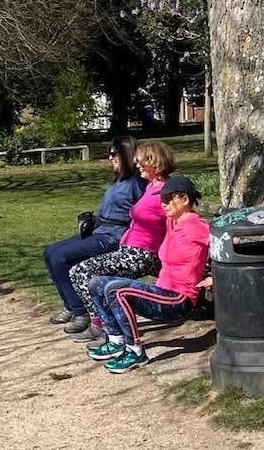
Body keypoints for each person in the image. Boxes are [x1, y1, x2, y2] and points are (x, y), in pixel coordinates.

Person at [85, 175, 210, 373]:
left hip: (179, 299)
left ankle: (135, 351)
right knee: (96, 283)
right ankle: (116, 341)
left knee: (117, 290)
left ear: (185, 200)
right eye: (162, 199)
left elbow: (223, 242)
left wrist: (215, 277)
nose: (164, 204)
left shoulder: (195, 226)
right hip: (161, 292)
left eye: (169, 199)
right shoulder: (173, 222)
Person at [65, 141, 176, 341]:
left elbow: (178, 223)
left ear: (154, 162)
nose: (137, 164)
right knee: (88, 275)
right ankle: (106, 324)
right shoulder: (151, 187)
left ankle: (103, 327)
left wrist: (171, 259)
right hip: (129, 249)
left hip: (143, 254)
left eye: (141, 161)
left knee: (80, 271)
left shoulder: (166, 190)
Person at [44, 136, 146, 331]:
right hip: (99, 231)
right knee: (49, 252)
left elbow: (142, 213)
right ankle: (70, 306)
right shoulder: (120, 180)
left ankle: (80, 312)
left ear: (127, 154)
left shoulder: (136, 183)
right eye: (108, 153)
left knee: (60, 257)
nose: (109, 157)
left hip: (112, 237)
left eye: (113, 153)